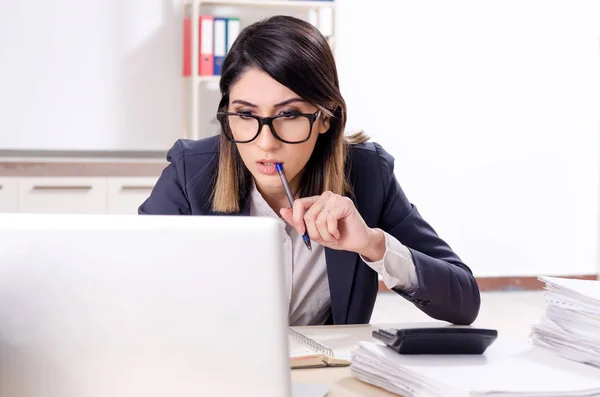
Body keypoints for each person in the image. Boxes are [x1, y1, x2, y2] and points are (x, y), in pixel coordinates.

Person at [139, 15, 480, 326]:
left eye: (288, 115)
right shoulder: (190, 171)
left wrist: (373, 245)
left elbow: (464, 302)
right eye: (245, 115)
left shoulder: (368, 173)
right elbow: (132, 292)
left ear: (325, 118)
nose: (266, 142)